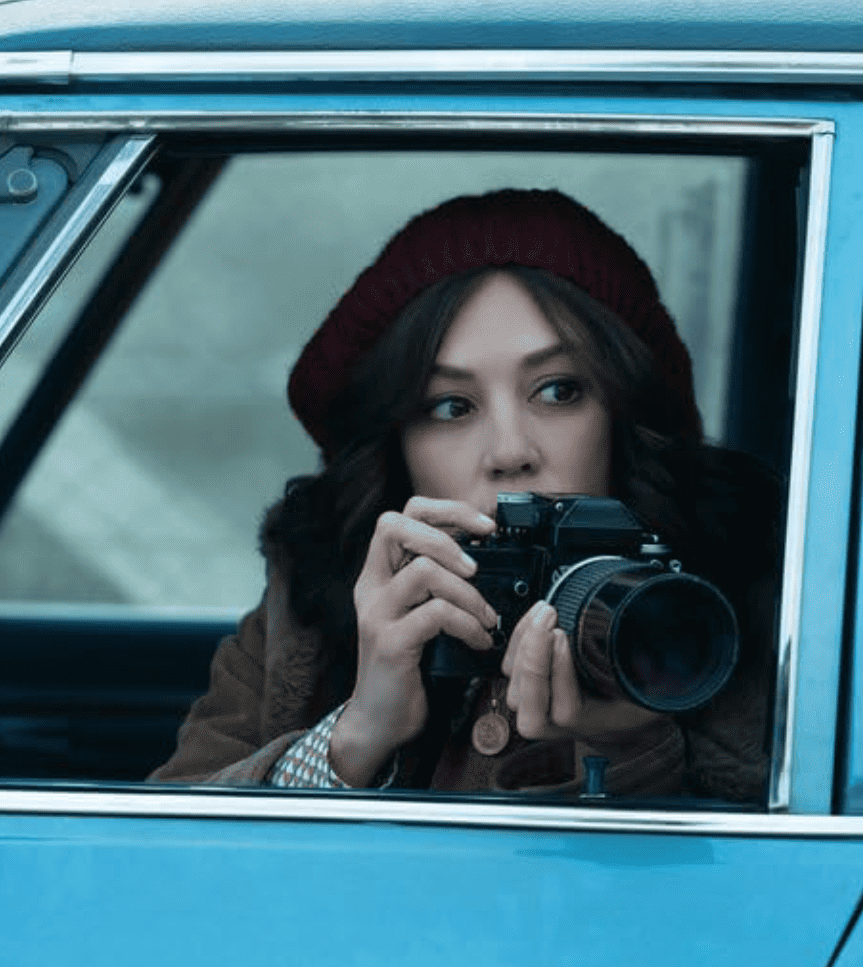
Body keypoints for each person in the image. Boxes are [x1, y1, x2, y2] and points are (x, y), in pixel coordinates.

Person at [149, 189, 780, 801]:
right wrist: (356, 737)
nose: (510, 450)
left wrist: (628, 747)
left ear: (623, 414)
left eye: (558, 391)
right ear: (395, 446)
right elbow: (160, 865)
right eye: (451, 406)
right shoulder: (315, 599)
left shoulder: (756, 615)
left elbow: (769, 895)